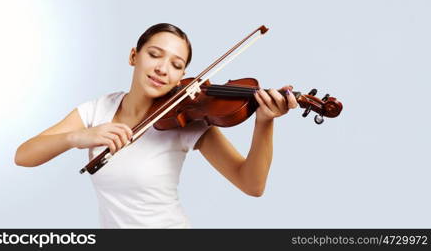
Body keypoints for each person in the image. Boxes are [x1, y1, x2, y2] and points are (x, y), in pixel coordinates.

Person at [15, 23, 298, 228]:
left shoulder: (187, 120)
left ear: (182, 77)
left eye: (176, 65)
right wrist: (77, 137)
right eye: (154, 55)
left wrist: (264, 122)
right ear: (133, 56)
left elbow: (252, 184)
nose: (163, 69)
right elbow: (24, 155)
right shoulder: (97, 110)